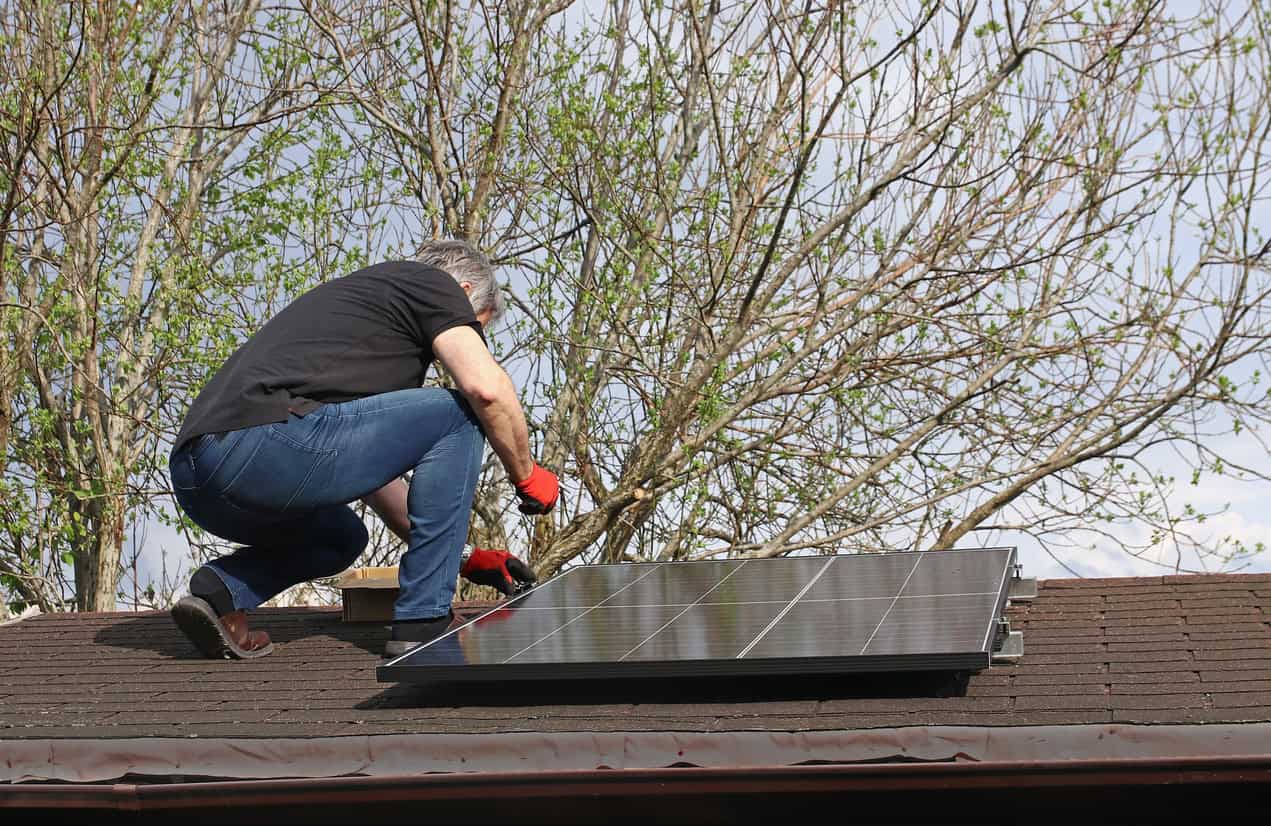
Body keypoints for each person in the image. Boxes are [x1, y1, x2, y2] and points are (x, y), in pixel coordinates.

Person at [167, 240, 557, 659]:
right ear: (462, 291)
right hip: (259, 447)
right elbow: (486, 390)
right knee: (461, 412)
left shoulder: (362, 330)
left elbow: (375, 478)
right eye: (473, 325)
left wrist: (465, 556)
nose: (472, 336)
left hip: (200, 477)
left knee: (340, 538)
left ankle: (222, 591)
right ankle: (423, 621)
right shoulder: (432, 284)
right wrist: (526, 473)